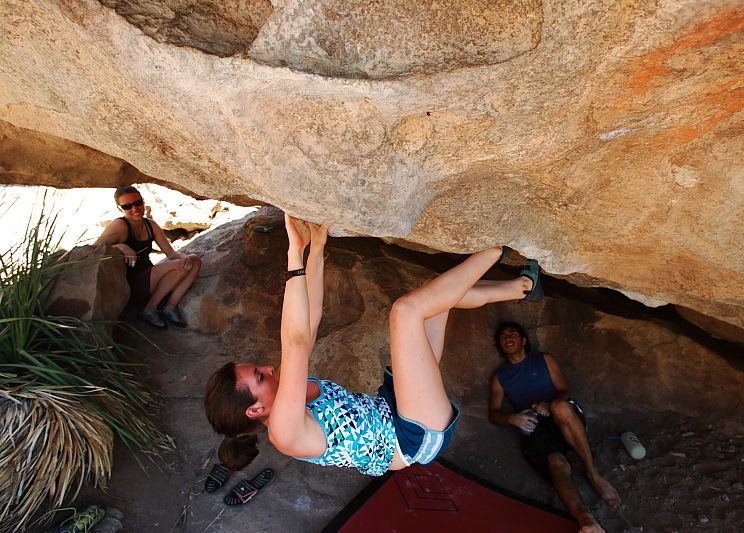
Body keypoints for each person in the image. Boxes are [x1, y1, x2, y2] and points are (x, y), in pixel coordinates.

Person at [204, 216, 545, 493]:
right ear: (256, 409)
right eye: (259, 376)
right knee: (407, 311)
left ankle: (524, 288)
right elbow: (294, 341)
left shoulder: (283, 392)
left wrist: (317, 248)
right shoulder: (285, 431)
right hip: (410, 436)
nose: (267, 367)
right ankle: (500, 241)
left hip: (393, 404)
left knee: (438, 299)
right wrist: (294, 255)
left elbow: (309, 321)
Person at [488, 322, 621, 533]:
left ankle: (593, 473)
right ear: (501, 345)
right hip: (535, 426)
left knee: (561, 406)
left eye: (513, 333)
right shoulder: (500, 377)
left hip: (562, 418)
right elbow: (493, 414)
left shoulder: (544, 359)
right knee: (555, 462)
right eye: (503, 336)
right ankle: (585, 520)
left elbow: (564, 390)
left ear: (523, 340)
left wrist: (549, 405)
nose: (507, 337)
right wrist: (511, 419)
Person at [94, 185, 201, 328]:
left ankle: (170, 307)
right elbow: (94, 249)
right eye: (127, 206)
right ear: (120, 209)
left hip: (150, 277)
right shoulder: (119, 225)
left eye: (138, 203)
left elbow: (170, 253)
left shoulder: (150, 225)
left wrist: (183, 256)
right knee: (180, 266)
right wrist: (119, 246)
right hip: (131, 284)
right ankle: (149, 309)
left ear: (143, 202)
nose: (134, 209)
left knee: (194, 260)